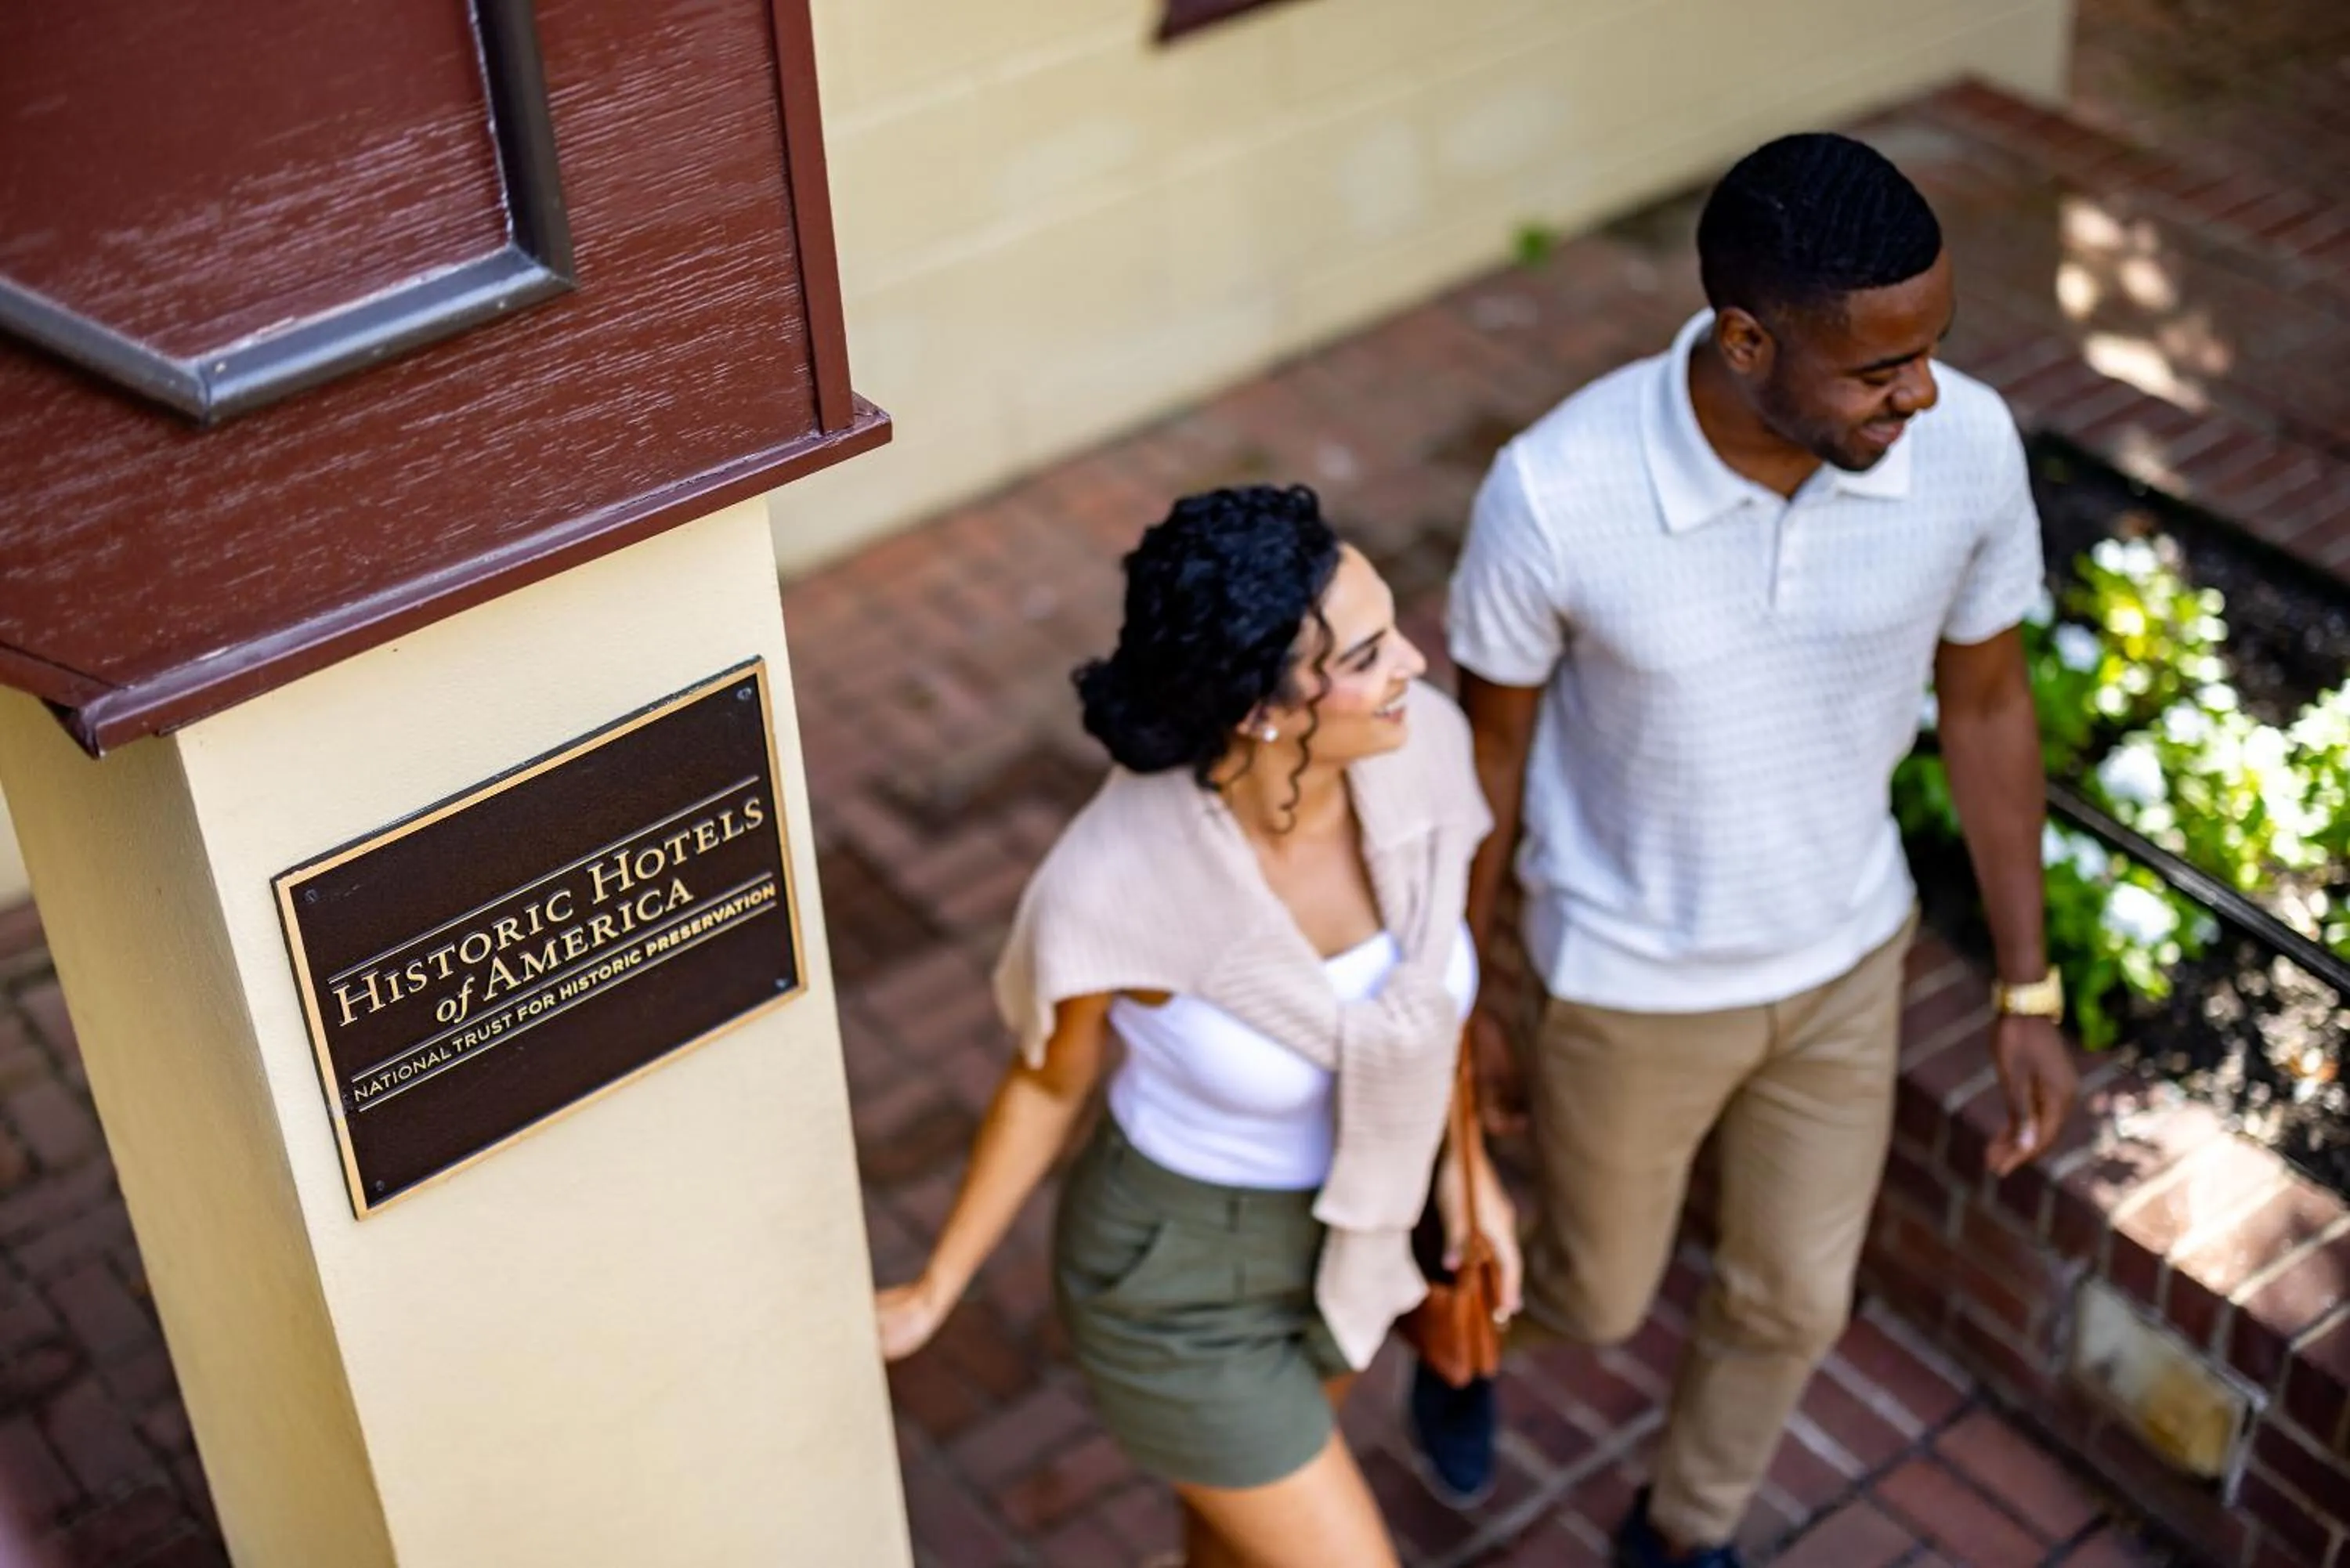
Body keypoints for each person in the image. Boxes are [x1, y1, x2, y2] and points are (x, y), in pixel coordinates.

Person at [1409, 133, 2081, 1565]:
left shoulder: (1964, 448)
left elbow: (1986, 705)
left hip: (1845, 961)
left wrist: (2027, 985)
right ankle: (1451, 1331)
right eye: (1880, 369)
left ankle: (1682, 1530)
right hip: (1626, 980)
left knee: (1794, 1301)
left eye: (1933, 349)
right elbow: (1491, 758)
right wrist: (1469, 998)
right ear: (1746, 340)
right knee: (1592, 1295)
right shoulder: (1557, 490)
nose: (1923, 393)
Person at [873, 484, 1525, 1568]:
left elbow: (1420, 1010)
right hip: (1179, 1282)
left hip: (1355, 1238)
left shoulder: (1424, 752)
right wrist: (938, 1287)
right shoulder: (1113, 883)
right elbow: (1048, 1083)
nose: (1414, 662)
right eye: (1368, 654)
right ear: (1262, 708)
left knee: (1236, 1541)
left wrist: (1467, 1179)